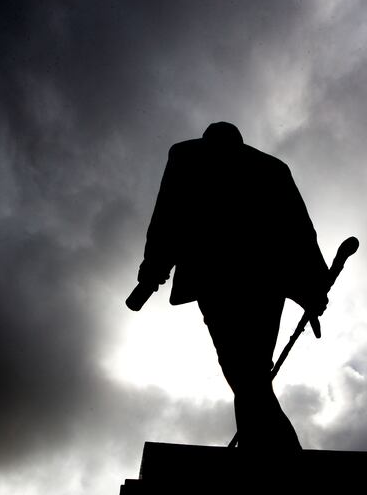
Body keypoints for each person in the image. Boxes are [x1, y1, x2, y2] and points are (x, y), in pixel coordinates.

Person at [134, 121, 329, 452]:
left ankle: (274, 450)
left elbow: (170, 214)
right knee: (249, 369)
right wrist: (312, 286)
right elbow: (299, 229)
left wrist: (154, 268)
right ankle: (265, 446)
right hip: (258, 279)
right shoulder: (270, 167)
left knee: (243, 369)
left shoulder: (188, 157)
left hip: (225, 277)